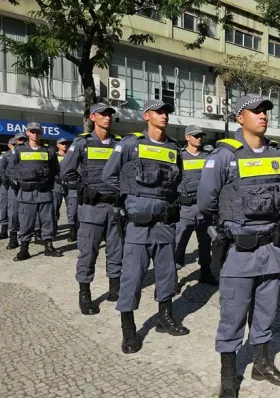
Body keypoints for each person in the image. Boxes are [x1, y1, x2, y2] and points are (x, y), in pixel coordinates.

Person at [197, 94, 280, 396]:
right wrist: (226, 229)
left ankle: (261, 363)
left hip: (271, 248)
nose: (262, 115)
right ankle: (228, 378)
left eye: (265, 110)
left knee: (266, 310)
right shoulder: (224, 155)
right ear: (240, 117)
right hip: (239, 250)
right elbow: (206, 202)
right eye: (255, 111)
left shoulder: (278, 155)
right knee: (234, 314)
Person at [103, 99, 189, 355]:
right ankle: (128, 329)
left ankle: (165, 317)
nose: (164, 116)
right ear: (146, 115)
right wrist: (132, 197)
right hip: (138, 226)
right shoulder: (130, 144)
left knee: (166, 274)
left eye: (166, 113)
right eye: (158, 112)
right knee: (132, 277)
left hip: (164, 225)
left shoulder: (173, 148)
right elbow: (110, 176)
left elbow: (179, 181)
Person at [60, 103, 124, 316]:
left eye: (110, 115)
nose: (108, 118)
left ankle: (115, 288)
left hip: (115, 207)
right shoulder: (82, 143)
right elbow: (66, 172)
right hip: (91, 207)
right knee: (88, 252)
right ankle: (85, 294)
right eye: (103, 114)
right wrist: (81, 188)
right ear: (93, 117)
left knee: (116, 250)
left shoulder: (119, 144)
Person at [8, 122, 62, 261]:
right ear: (27, 133)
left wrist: (51, 183)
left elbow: (55, 169)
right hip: (26, 192)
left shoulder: (48, 150)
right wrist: (16, 182)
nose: (35, 134)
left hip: (44, 191)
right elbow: (11, 169)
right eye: (32, 131)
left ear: (41, 133)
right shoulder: (19, 150)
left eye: (37, 131)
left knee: (47, 220)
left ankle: (48, 246)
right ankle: (24, 249)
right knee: (26, 221)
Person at [174, 125, 218, 289]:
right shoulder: (179, 156)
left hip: (204, 209)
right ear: (187, 137)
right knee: (179, 243)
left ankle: (205, 272)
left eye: (201, 136)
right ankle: (173, 276)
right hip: (184, 209)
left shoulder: (208, 157)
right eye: (195, 136)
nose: (199, 138)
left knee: (205, 243)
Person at [3, 133, 26, 250]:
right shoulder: (9, 155)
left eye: (24, 139)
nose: (22, 141)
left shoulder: (29, 152)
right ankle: (13, 237)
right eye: (19, 139)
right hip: (14, 186)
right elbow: (5, 169)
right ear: (15, 141)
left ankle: (34, 234)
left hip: (28, 186)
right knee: (13, 212)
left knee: (30, 213)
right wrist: (10, 180)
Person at [54, 137, 79, 241]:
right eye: (62, 143)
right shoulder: (54, 156)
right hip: (57, 185)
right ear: (58, 145)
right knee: (54, 208)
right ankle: (53, 229)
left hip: (70, 185)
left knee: (72, 209)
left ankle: (73, 232)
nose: (64, 145)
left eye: (66, 143)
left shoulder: (71, 156)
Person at [0, 138, 15, 240]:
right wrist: (5, 180)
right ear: (9, 145)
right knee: (4, 207)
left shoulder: (21, 154)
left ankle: (15, 229)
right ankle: (4, 229)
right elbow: (1, 169)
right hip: (6, 185)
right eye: (13, 144)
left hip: (17, 185)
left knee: (15, 208)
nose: (15, 146)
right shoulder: (5, 155)